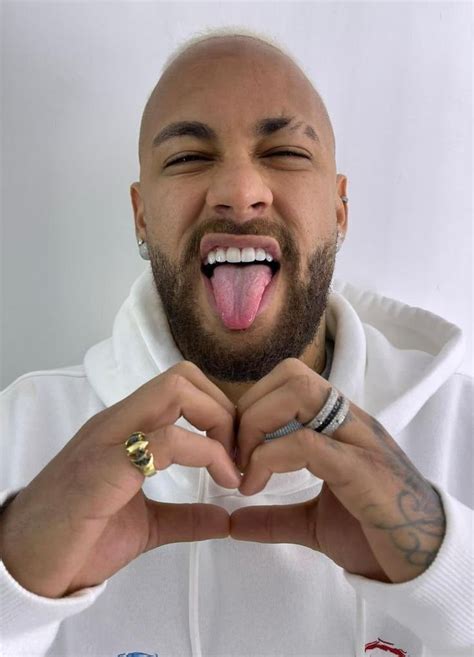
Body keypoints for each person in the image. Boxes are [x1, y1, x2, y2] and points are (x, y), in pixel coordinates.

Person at [0, 29, 472, 657]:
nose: (239, 190)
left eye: (284, 152)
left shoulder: (459, 428)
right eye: (189, 158)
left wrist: (449, 577)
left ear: (340, 208)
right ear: (142, 216)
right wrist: (13, 587)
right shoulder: (19, 433)